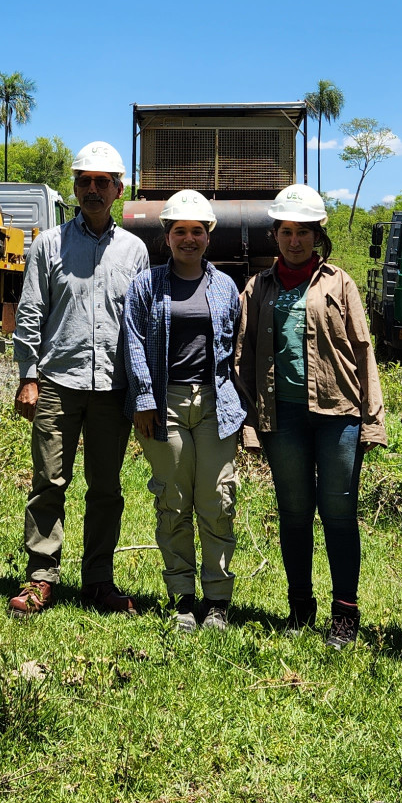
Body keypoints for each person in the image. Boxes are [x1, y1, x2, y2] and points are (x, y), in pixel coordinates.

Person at [236, 183, 386, 645]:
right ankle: (300, 606)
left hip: (338, 414)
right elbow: (243, 355)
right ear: (275, 236)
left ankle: (345, 613)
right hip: (282, 418)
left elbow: (363, 348)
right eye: (286, 231)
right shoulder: (258, 287)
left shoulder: (340, 282)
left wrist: (372, 419)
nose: (295, 240)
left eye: (303, 232)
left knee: (339, 512)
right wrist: (249, 422)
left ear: (318, 235)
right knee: (295, 512)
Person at [9, 141, 151, 616]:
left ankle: (98, 581)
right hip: (57, 383)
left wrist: (143, 390)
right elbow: (31, 312)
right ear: (74, 187)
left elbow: (142, 324)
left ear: (118, 190)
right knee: (49, 481)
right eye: (85, 180)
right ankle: (41, 577)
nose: (92, 189)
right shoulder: (49, 245)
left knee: (106, 489)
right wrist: (28, 377)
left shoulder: (134, 251)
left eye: (101, 182)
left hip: (112, 387)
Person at [123, 190, 245, 631]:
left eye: (197, 231)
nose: (189, 239)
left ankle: (217, 601)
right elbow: (134, 341)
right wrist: (144, 400)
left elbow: (235, 349)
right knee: (173, 502)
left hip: (215, 404)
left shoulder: (226, 287)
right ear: (167, 236)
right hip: (164, 405)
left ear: (208, 236)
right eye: (180, 231)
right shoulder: (146, 285)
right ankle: (182, 600)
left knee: (216, 501)